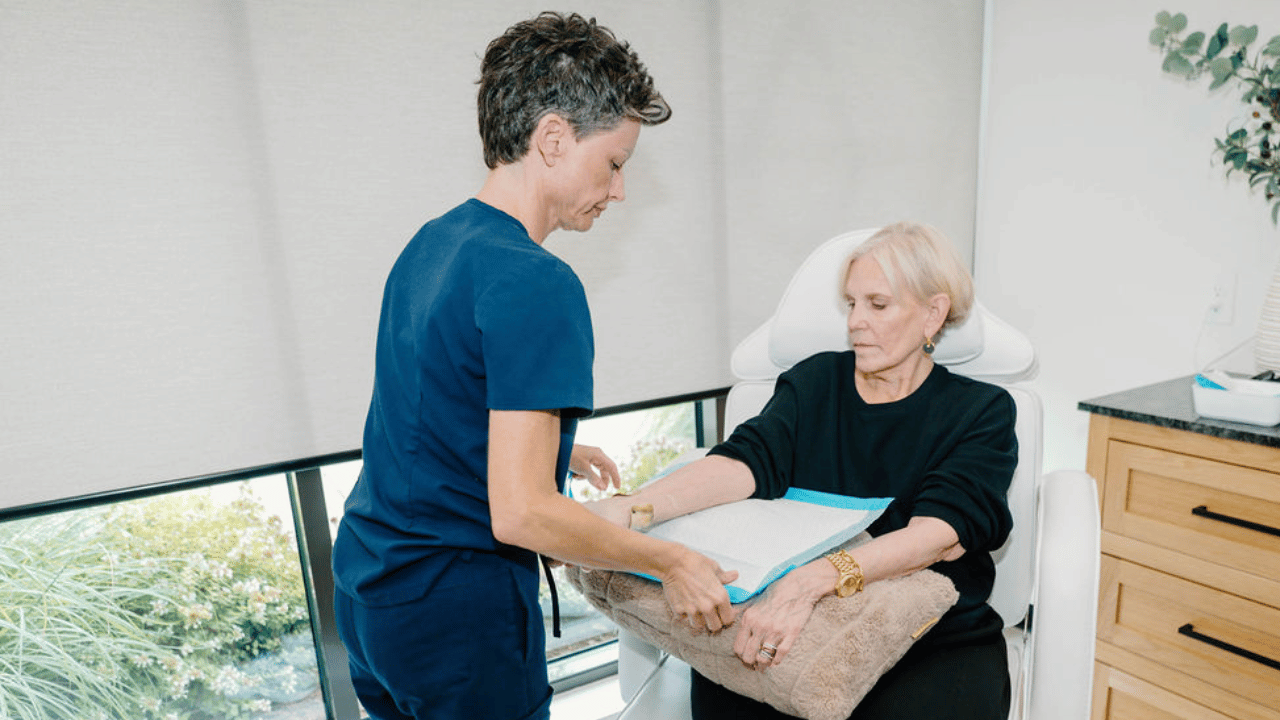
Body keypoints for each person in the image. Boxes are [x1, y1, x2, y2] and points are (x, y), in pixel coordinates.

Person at [330, 13, 738, 720]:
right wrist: (668, 561)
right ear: (553, 138)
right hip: (456, 614)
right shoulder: (536, 280)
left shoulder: (435, 241)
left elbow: (430, 406)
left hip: (371, 590)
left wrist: (557, 450)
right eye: (614, 163)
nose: (618, 192)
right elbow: (521, 514)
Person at [589, 222, 1019, 720]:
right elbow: (742, 464)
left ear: (933, 313)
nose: (856, 321)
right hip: (792, 621)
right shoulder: (817, 381)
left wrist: (812, 581)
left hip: (929, 633)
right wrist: (629, 510)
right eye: (851, 303)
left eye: (877, 305)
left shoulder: (980, 409)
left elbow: (938, 536)